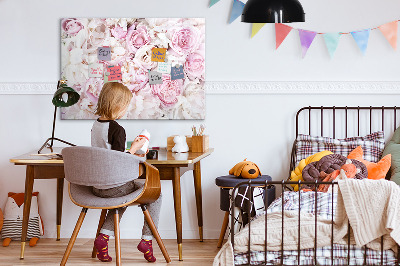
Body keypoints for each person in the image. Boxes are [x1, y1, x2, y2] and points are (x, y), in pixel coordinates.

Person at [91, 82, 161, 263]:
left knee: (121, 197)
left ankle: (103, 238)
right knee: (156, 194)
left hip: (97, 186)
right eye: (126, 106)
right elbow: (119, 160)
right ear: (118, 105)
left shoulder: (96, 125)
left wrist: (130, 149)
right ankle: (147, 240)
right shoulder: (117, 129)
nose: (126, 110)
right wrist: (136, 148)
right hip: (114, 186)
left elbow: (108, 154)